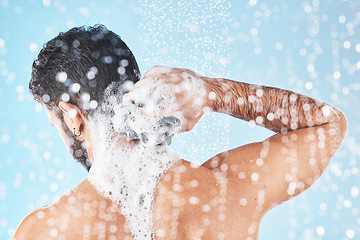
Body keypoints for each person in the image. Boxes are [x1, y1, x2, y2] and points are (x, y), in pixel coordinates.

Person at [13, 25, 347, 240]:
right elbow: (327, 123)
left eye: (55, 122)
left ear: (71, 115)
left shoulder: (44, 231)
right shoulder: (225, 189)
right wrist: (211, 92)